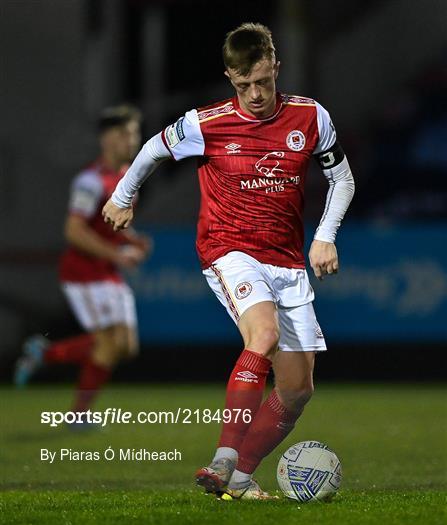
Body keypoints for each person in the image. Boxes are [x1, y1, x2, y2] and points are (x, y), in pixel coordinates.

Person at [102, 23, 355, 498]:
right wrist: (123, 194)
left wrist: (325, 237)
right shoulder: (206, 124)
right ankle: (224, 459)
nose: (255, 94)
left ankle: (239, 479)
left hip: (287, 260)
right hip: (229, 248)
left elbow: (343, 181)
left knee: (297, 390)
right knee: (263, 333)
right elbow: (154, 148)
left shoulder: (311, 118)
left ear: (276, 67)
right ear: (229, 78)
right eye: (243, 85)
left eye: (263, 81)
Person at [15, 105, 151, 420]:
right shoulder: (90, 181)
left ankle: (44, 353)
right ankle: (79, 416)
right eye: (123, 133)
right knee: (108, 344)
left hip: (105, 269)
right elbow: (74, 231)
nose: (131, 139)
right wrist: (118, 253)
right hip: (84, 272)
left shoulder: (126, 176)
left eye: (134, 133)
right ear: (105, 139)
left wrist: (132, 239)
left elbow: (108, 221)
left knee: (126, 347)